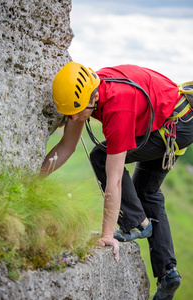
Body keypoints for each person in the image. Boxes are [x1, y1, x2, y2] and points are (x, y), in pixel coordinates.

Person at [40, 61, 193, 300]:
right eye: (70, 113)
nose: (75, 117)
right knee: (146, 192)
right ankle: (168, 274)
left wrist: (106, 234)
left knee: (101, 157)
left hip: (177, 123)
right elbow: (67, 146)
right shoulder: (87, 94)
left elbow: (115, 179)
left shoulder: (117, 107)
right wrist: (32, 180)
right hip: (172, 117)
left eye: (78, 111)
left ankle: (137, 224)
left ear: (93, 98)